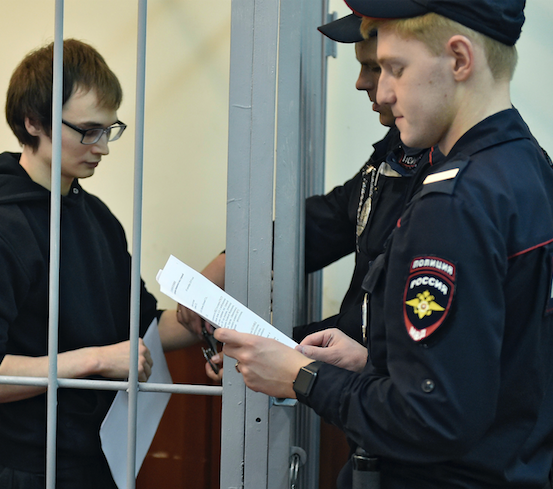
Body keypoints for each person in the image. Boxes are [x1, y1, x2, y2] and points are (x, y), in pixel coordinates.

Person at [217, 1, 553, 489]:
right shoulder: (537, 178)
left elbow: (431, 419)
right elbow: (496, 376)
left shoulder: (454, 204)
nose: (384, 91)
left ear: (459, 60)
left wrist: (300, 377)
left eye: (395, 68)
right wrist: (377, 362)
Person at [0, 39, 199, 489]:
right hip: (31, 470)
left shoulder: (96, 216)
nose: (102, 147)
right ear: (32, 122)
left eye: (109, 130)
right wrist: (95, 360)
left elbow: (139, 327)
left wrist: (211, 314)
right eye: (87, 131)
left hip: (102, 454)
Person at [179, 11, 440, 370]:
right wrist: (230, 263)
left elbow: (411, 354)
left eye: (380, 67)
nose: (363, 83)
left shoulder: (460, 181)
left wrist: (285, 355)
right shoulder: (401, 147)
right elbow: (332, 220)